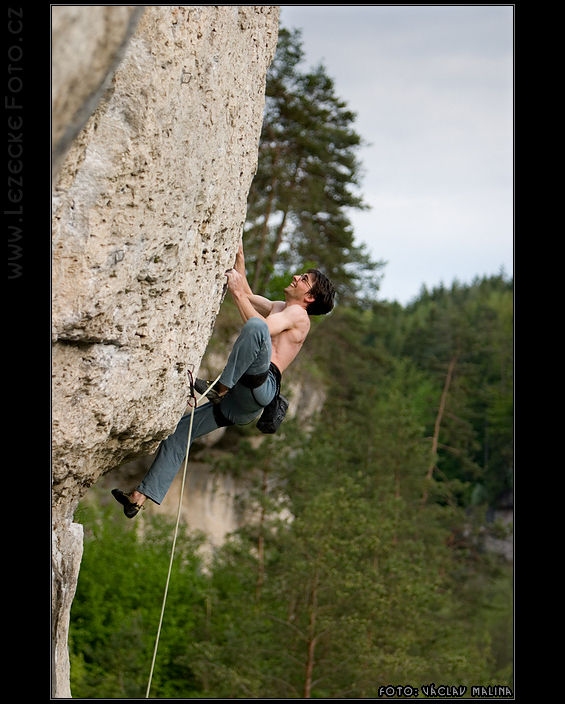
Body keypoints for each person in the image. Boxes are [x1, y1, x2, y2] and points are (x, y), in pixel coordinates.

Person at [112, 241, 336, 518]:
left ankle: (220, 387)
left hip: (259, 386)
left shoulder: (299, 315)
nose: (295, 277)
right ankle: (139, 497)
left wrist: (238, 294)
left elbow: (260, 328)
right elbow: (246, 294)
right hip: (243, 403)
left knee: (255, 326)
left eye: (303, 279)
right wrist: (239, 258)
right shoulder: (281, 306)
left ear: (309, 297)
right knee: (179, 433)